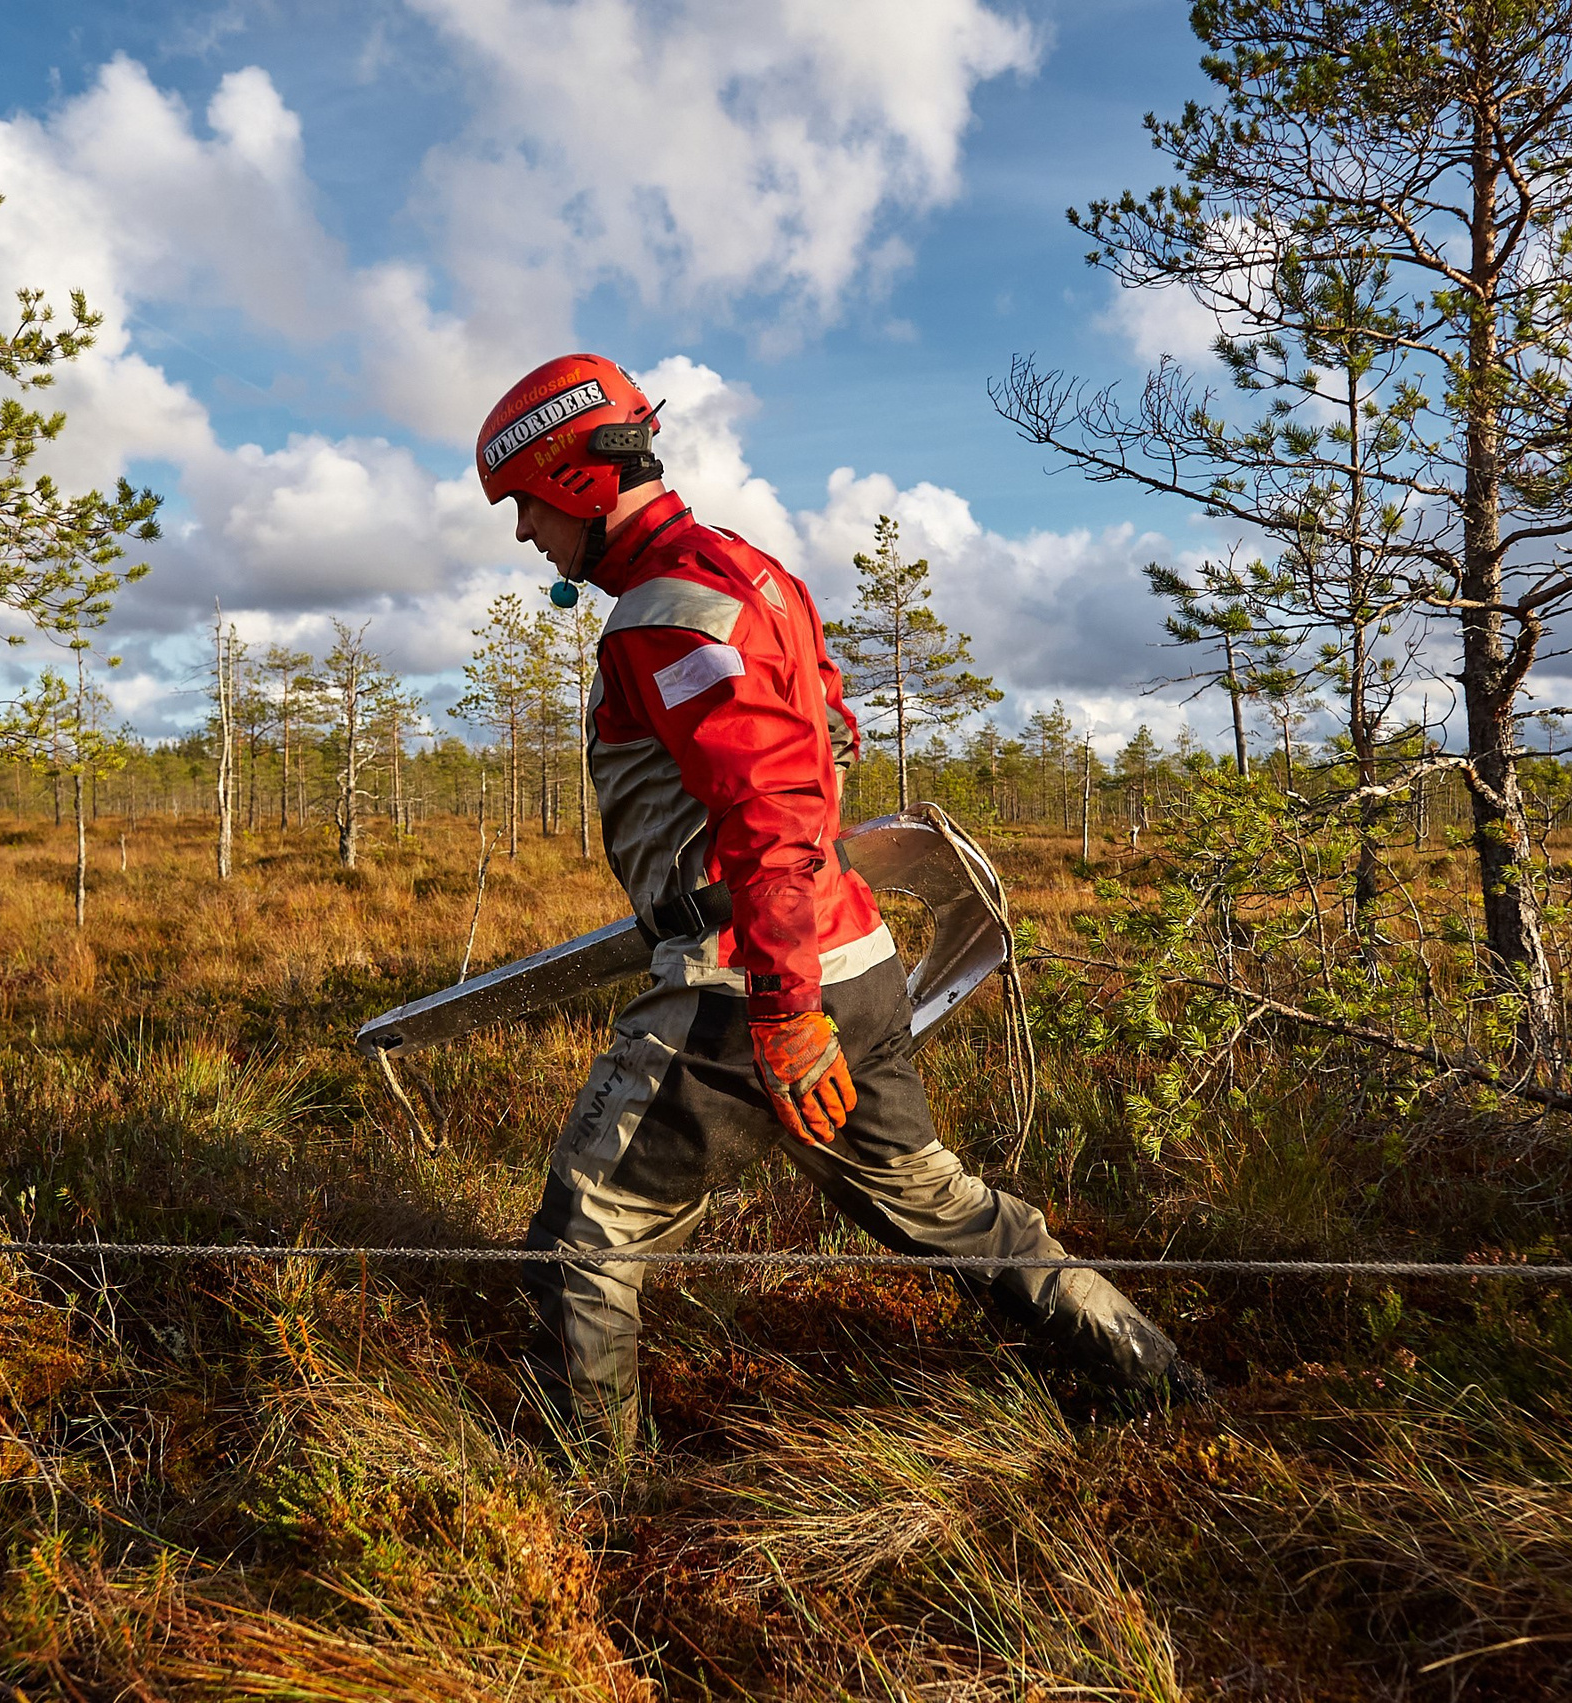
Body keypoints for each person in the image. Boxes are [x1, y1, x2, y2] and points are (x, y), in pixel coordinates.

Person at [476, 353, 1207, 1451]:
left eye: (526, 506)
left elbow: (767, 810)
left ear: (572, 480)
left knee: (584, 1236)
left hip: (747, 986)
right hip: (856, 963)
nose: (526, 535)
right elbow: (823, 726)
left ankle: (587, 1509)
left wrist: (780, 1007)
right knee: (946, 1212)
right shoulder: (752, 574)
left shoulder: (662, 615)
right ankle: (1162, 1391)